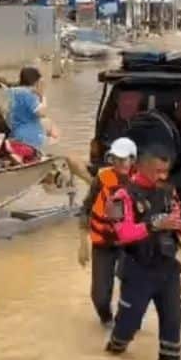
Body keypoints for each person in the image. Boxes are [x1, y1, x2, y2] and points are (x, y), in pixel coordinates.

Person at [105, 146, 181, 360]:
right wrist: (153, 225)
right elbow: (123, 234)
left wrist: (180, 224)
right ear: (141, 168)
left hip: (167, 269)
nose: (163, 176)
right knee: (127, 326)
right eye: (157, 171)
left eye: (166, 171)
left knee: (173, 321)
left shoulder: (169, 192)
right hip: (137, 270)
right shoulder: (119, 197)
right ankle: (113, 353)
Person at [79, 138, 137, 326]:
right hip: (103, 243)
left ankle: (128, 323)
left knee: (134, 286)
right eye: (115, 159)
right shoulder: (102, 179)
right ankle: (107, 322)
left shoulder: (142, 182)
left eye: (124, 159)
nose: (119, 163)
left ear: (133, 160)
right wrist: (82, 244)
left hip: (130, 244)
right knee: (100, 297)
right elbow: (86, 209)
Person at [8, 67, 47, 151]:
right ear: (36, 81)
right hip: (30, 135)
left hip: (15, 132)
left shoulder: (12, 92)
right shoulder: (28, 94)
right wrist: (42, 95)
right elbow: (42, 113)